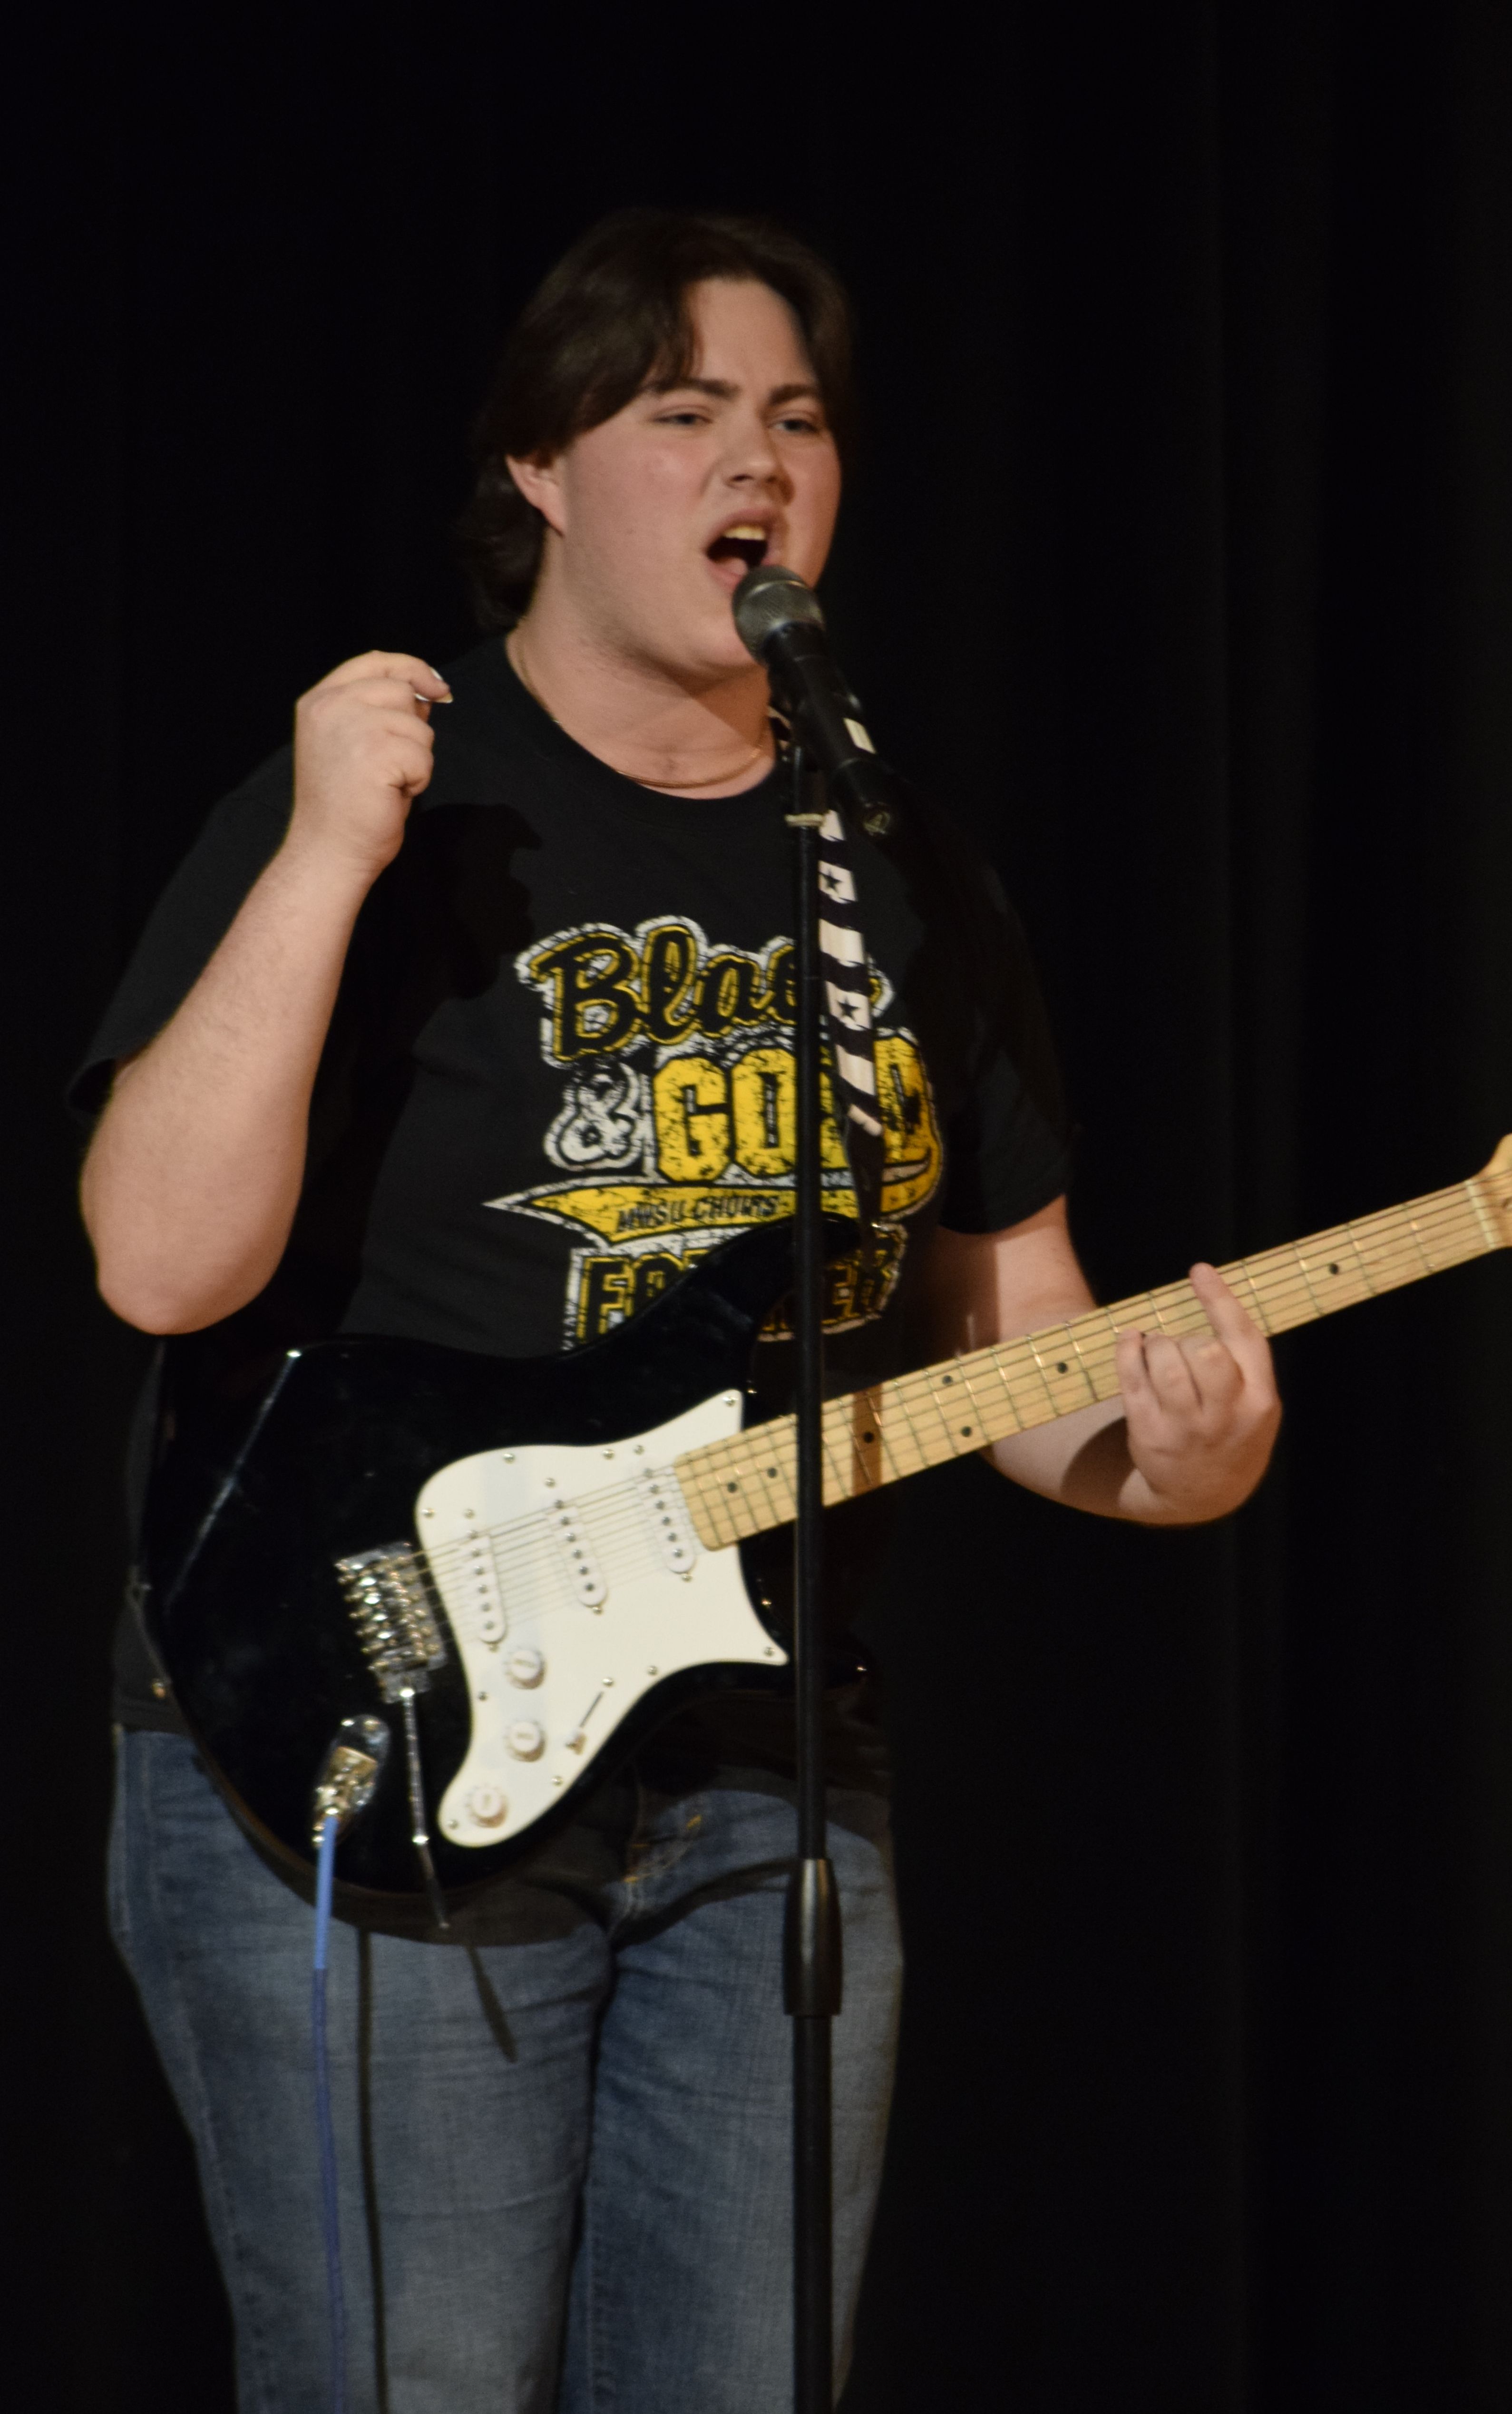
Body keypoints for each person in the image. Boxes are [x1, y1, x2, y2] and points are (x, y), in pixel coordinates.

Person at [77, 208, 1281, 2414]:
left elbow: (1009, 1328)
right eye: (684, 410)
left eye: (798, 421)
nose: (759, 463)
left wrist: (1167, 1453)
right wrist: (327, 855)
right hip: (366, 1717)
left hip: (758, 1766)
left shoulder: (899, 871)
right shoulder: (390, 805)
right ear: (538, 466)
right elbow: (158, 1263)